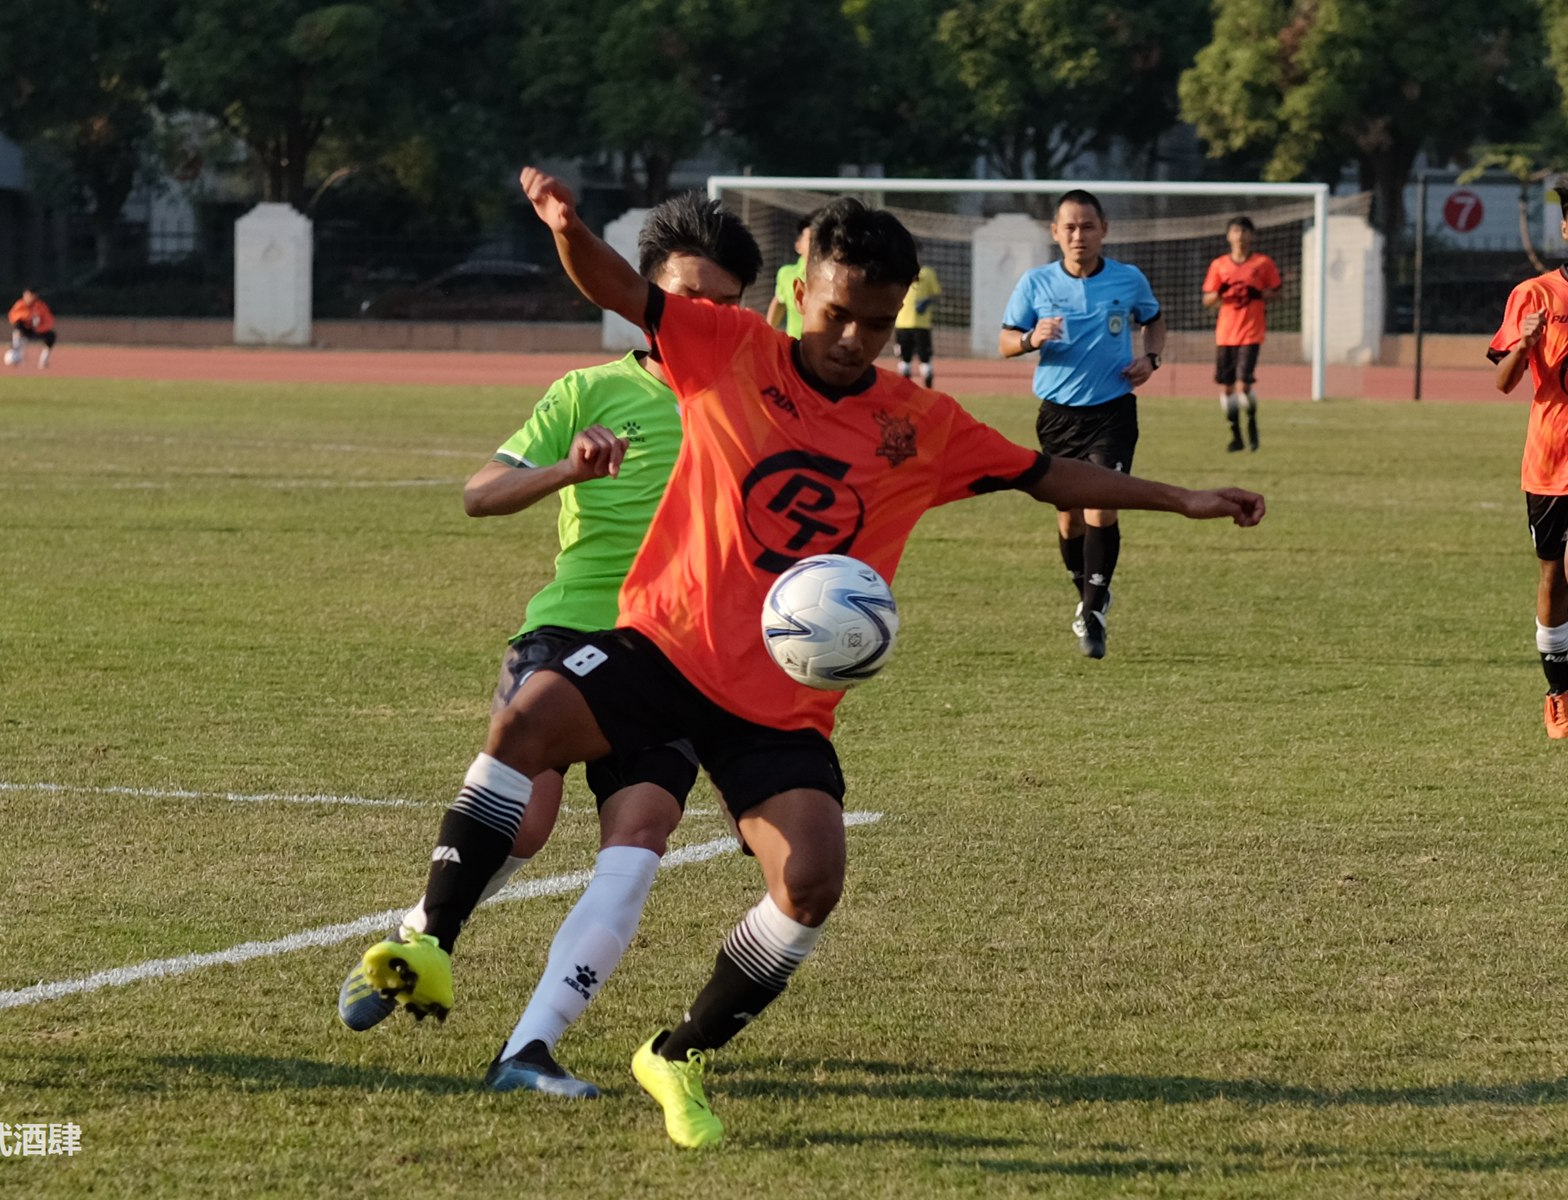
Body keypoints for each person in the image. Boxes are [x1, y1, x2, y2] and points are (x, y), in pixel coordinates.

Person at [348, 166, 1264, 1149]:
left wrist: (1181, 497)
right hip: (667, 646)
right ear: (806, 288)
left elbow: (1042, 474)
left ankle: (679, 1051)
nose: (853, 339)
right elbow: (619, 288)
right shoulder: (726, 347)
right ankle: (433, 943)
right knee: (526, 721)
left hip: (779, 703)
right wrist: (569, 227)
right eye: (837, 315)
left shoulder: (918, 423)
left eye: (874, 323)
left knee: (813, 879)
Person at [336, 194, 764, 1098]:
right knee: (524, 823)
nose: (704, 318)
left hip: (681, 654)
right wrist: (567, 467)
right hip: (571, 629)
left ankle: (526, 1050)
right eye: (688, 295)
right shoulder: (587, 391)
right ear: (646, 293)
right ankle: (420, 935)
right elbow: (479, 494)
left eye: (724, 303)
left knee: (640, 832)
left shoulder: (752, 407)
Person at [1000, 189, 1167, 661]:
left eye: (1087, 226)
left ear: (1104, 229)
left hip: (1112, 410)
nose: (1078, 235)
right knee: (1068, 515)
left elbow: (1153, 320)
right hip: (1057, 415)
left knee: (1101, 503)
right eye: (1069, 227)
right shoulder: (1035, 283)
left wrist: (1151, 358)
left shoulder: (1128, 279)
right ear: (1055, 233)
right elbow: (1005, 341)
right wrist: (1033, 337)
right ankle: (1086, 590)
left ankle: (1093, 611)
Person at [1489, 192, 1568, 738]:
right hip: (1550, 457)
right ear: (1564, 228)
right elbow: (1503, 381)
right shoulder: (1533, 294)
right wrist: (1526, 343)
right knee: (1552, 575)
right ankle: (1558, 692)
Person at [1201, 216, 1282, 452]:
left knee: (1244, 384)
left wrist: (1260, 294)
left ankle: (1252, 421)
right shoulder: (1219, 265)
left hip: (1251, 332)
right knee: (1227, 388)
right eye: (1236, 231)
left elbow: (1278, 292)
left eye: (1245, 231)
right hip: (1226, 334)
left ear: (1252, 235)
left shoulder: (1262, 263)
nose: (1240, 236)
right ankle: (1236, 435)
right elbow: (1207, 299)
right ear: (1229, 236)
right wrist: (1220, 293)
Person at [763, 211, 814, 337]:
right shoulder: (786, 274)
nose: (816, 245)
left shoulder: (831, 277)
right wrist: (767, 333)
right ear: (798, 245)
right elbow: (779, 301)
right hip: (794, 347)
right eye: (811, 239)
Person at [894, 262, 942, 387]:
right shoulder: (899, 271)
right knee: (906, 361)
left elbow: (937, 294)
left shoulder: (926, 273)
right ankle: (908, 389)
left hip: (918, 324)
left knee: (922, 360)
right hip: (905, 323)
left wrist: (927, 301)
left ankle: (927, 390)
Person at [7, 288, 56, 368]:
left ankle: (44, 360)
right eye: (26, 295)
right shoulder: (20, 304)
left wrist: (40, 328)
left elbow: (49, 320)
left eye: (30, 295)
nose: (28, 298)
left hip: (38, 330)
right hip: (25, 330)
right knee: (17, 326)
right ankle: (15, 351)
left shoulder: (40, 306)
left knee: (51, 335)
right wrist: (27, 316)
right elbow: (12, 316)